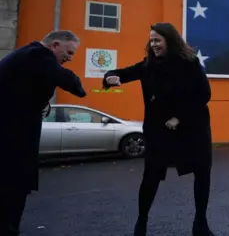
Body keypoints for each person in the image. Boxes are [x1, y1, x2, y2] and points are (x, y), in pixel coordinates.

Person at [102, 23, 214, 236]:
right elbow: (124, 73)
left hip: (192, 129)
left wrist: (179, 116)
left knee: (202, 173)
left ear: (169, 41)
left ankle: (201, 223)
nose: (153, 44)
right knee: (151, 175)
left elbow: (203, 94)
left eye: (157, 40)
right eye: (151, 40)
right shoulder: (148, 65)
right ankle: (141, 223)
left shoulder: (190, 64)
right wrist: (110, 76)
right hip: (159, 131)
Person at [0, 30, 86, 236]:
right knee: (13, 185)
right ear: (54, 45)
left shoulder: (28, 55)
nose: (70, 58)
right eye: (69, 52)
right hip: (13, 133)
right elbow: (72, 83)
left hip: (14, 129)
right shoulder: (39, 55)